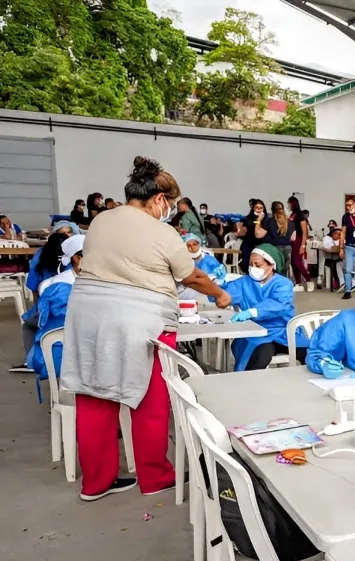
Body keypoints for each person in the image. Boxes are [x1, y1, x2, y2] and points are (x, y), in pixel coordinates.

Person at [63, 156, 229, 501]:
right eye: (168, 204)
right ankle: (154, 477)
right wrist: (220, 293)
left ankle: (96, 483)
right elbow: (191, 276)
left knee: (95, 397)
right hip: (141, 323)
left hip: (88, 317)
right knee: (149, 402)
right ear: (159, 199)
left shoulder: (100, 221)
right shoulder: (162, 232)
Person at [221, 244, 307, 371]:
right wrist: (218, 283)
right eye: (251, 264)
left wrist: (252, 312)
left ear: (272, 265)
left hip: (284, 332)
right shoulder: (244, 283)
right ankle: (251, 388)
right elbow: (222, 297)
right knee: (259, 358)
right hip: (256, 334)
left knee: (312, 355)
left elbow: (279, 305)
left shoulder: (283, 284)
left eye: (257, 265)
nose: (253, 268)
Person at [9, 231, 71, 374]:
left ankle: (32, 360)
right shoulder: (73, 261)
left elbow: (34, 288)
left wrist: (39, 310)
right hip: (73, 311)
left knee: (29, 325)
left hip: (49, 310)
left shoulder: (40, 258)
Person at [26, 234, 86, 379]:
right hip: (89, 352)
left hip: (60, 355)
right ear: (76, 258)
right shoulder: (105, 283)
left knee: (30, 324)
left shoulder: (50, 284)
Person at [266, 200, 296, 281]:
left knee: (277, 267)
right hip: (288, 246)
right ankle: (284, 282)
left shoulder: (270, 221)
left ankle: (277, 283)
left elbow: (271, 235)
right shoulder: (290, 222)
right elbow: (293, 238)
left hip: (276, 246)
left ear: (272, 210)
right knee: (285, 268)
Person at [288, 196, 312, 288]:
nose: (288, 205)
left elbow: (304, 231)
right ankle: (298, 283)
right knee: (293, 263)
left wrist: (303, 245)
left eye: (289, 203)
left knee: (297, 261)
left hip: (299, 239)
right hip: (292, 240)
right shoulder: (292, 214)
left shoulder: (300, 214)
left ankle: (308, 279)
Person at [240, 199, 271, 267]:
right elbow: (243, 231)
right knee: (247, 263)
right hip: (249, 244)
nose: (259, 210)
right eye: (257, 208)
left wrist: (259, 220)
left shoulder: (267, 219)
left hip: (261, 244)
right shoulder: (248, 218)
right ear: (253, 208)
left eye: (261, 208)